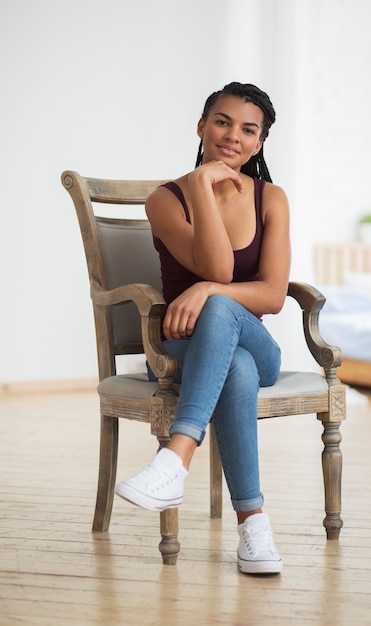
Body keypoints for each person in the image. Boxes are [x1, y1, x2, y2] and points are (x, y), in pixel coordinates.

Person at [115, 81, 291, 575]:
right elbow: (220, 269)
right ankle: (253, 527)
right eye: (222, 121)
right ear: (201, 126)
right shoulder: (165, 200)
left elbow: (273, 296)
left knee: (219, 308)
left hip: (260, 350)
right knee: (230, 365)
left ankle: (175, 458)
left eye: (248, 129)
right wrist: (199, 185)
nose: (232, 136)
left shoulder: (271, 198)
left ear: (259, 143)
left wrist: (206, 292)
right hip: (180, 353)